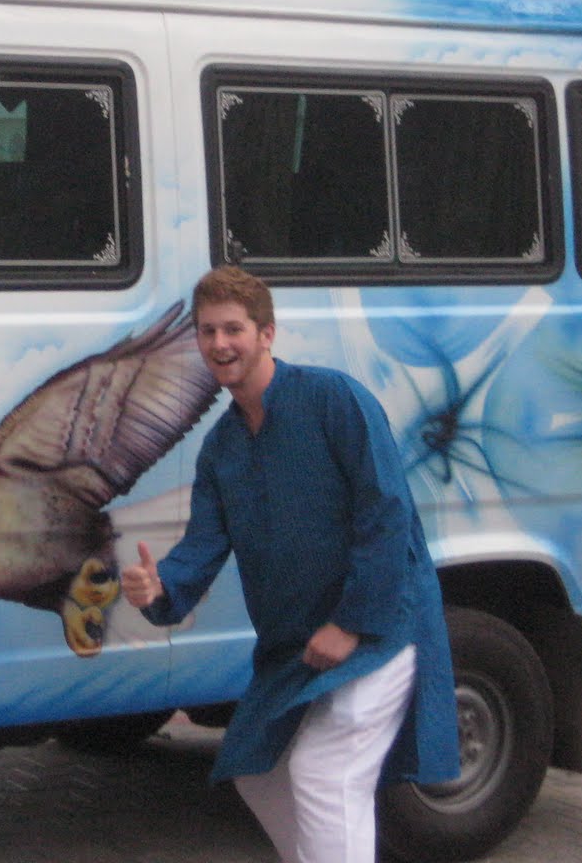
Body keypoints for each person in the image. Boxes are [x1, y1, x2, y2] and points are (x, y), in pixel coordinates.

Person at [121, 266, 459, 863]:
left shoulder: (335, 400)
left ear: (267, 333)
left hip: (381, 632)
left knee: (324, 773)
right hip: (296, 646)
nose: (220, 344)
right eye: (207, 332)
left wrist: (351, 624)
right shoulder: (221, 448)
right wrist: (156, 589)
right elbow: (200, 550)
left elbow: (387, 516)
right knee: (259, 768)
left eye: (233, 329)